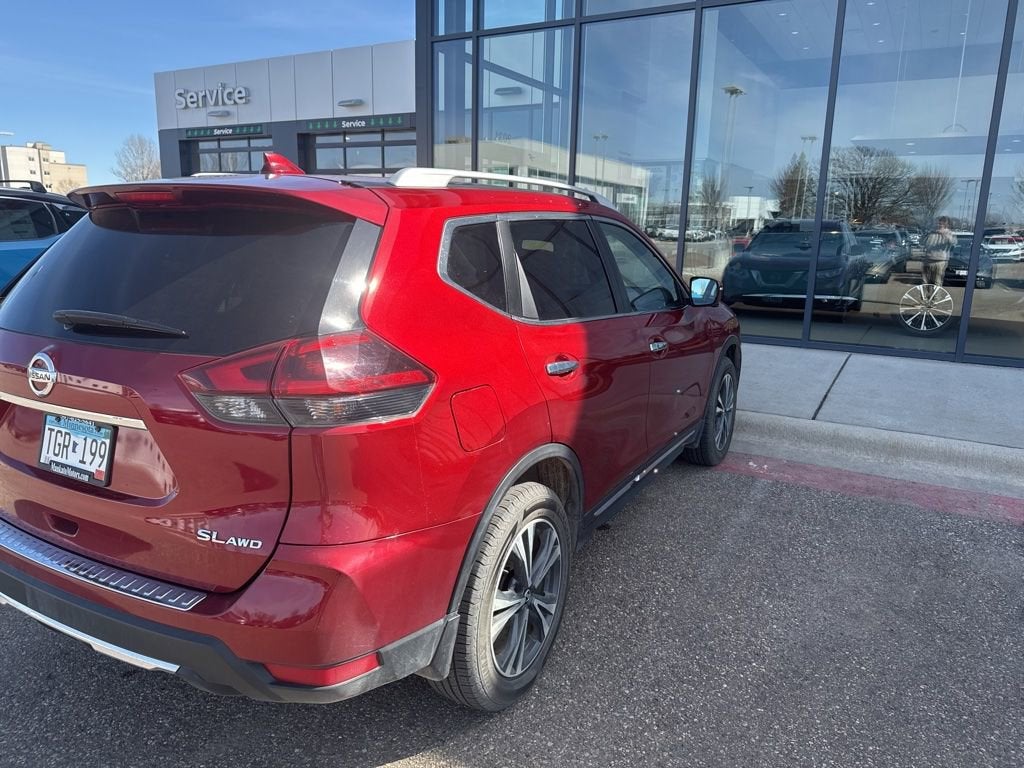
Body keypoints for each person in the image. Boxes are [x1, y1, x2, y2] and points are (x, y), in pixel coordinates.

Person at [920, 216, 956, 286]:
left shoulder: (949, 233)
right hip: (928, 259)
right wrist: (926, 234)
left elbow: (953, 242)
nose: (939, 225)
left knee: (937, 282)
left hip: (941, 261)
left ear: (946, 225)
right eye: (939, 223)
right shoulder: (931, 233)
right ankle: (925, 296)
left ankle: (936, 297)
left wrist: (944, 234)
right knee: (925, 282)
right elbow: (921, 242)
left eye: (942, 224)